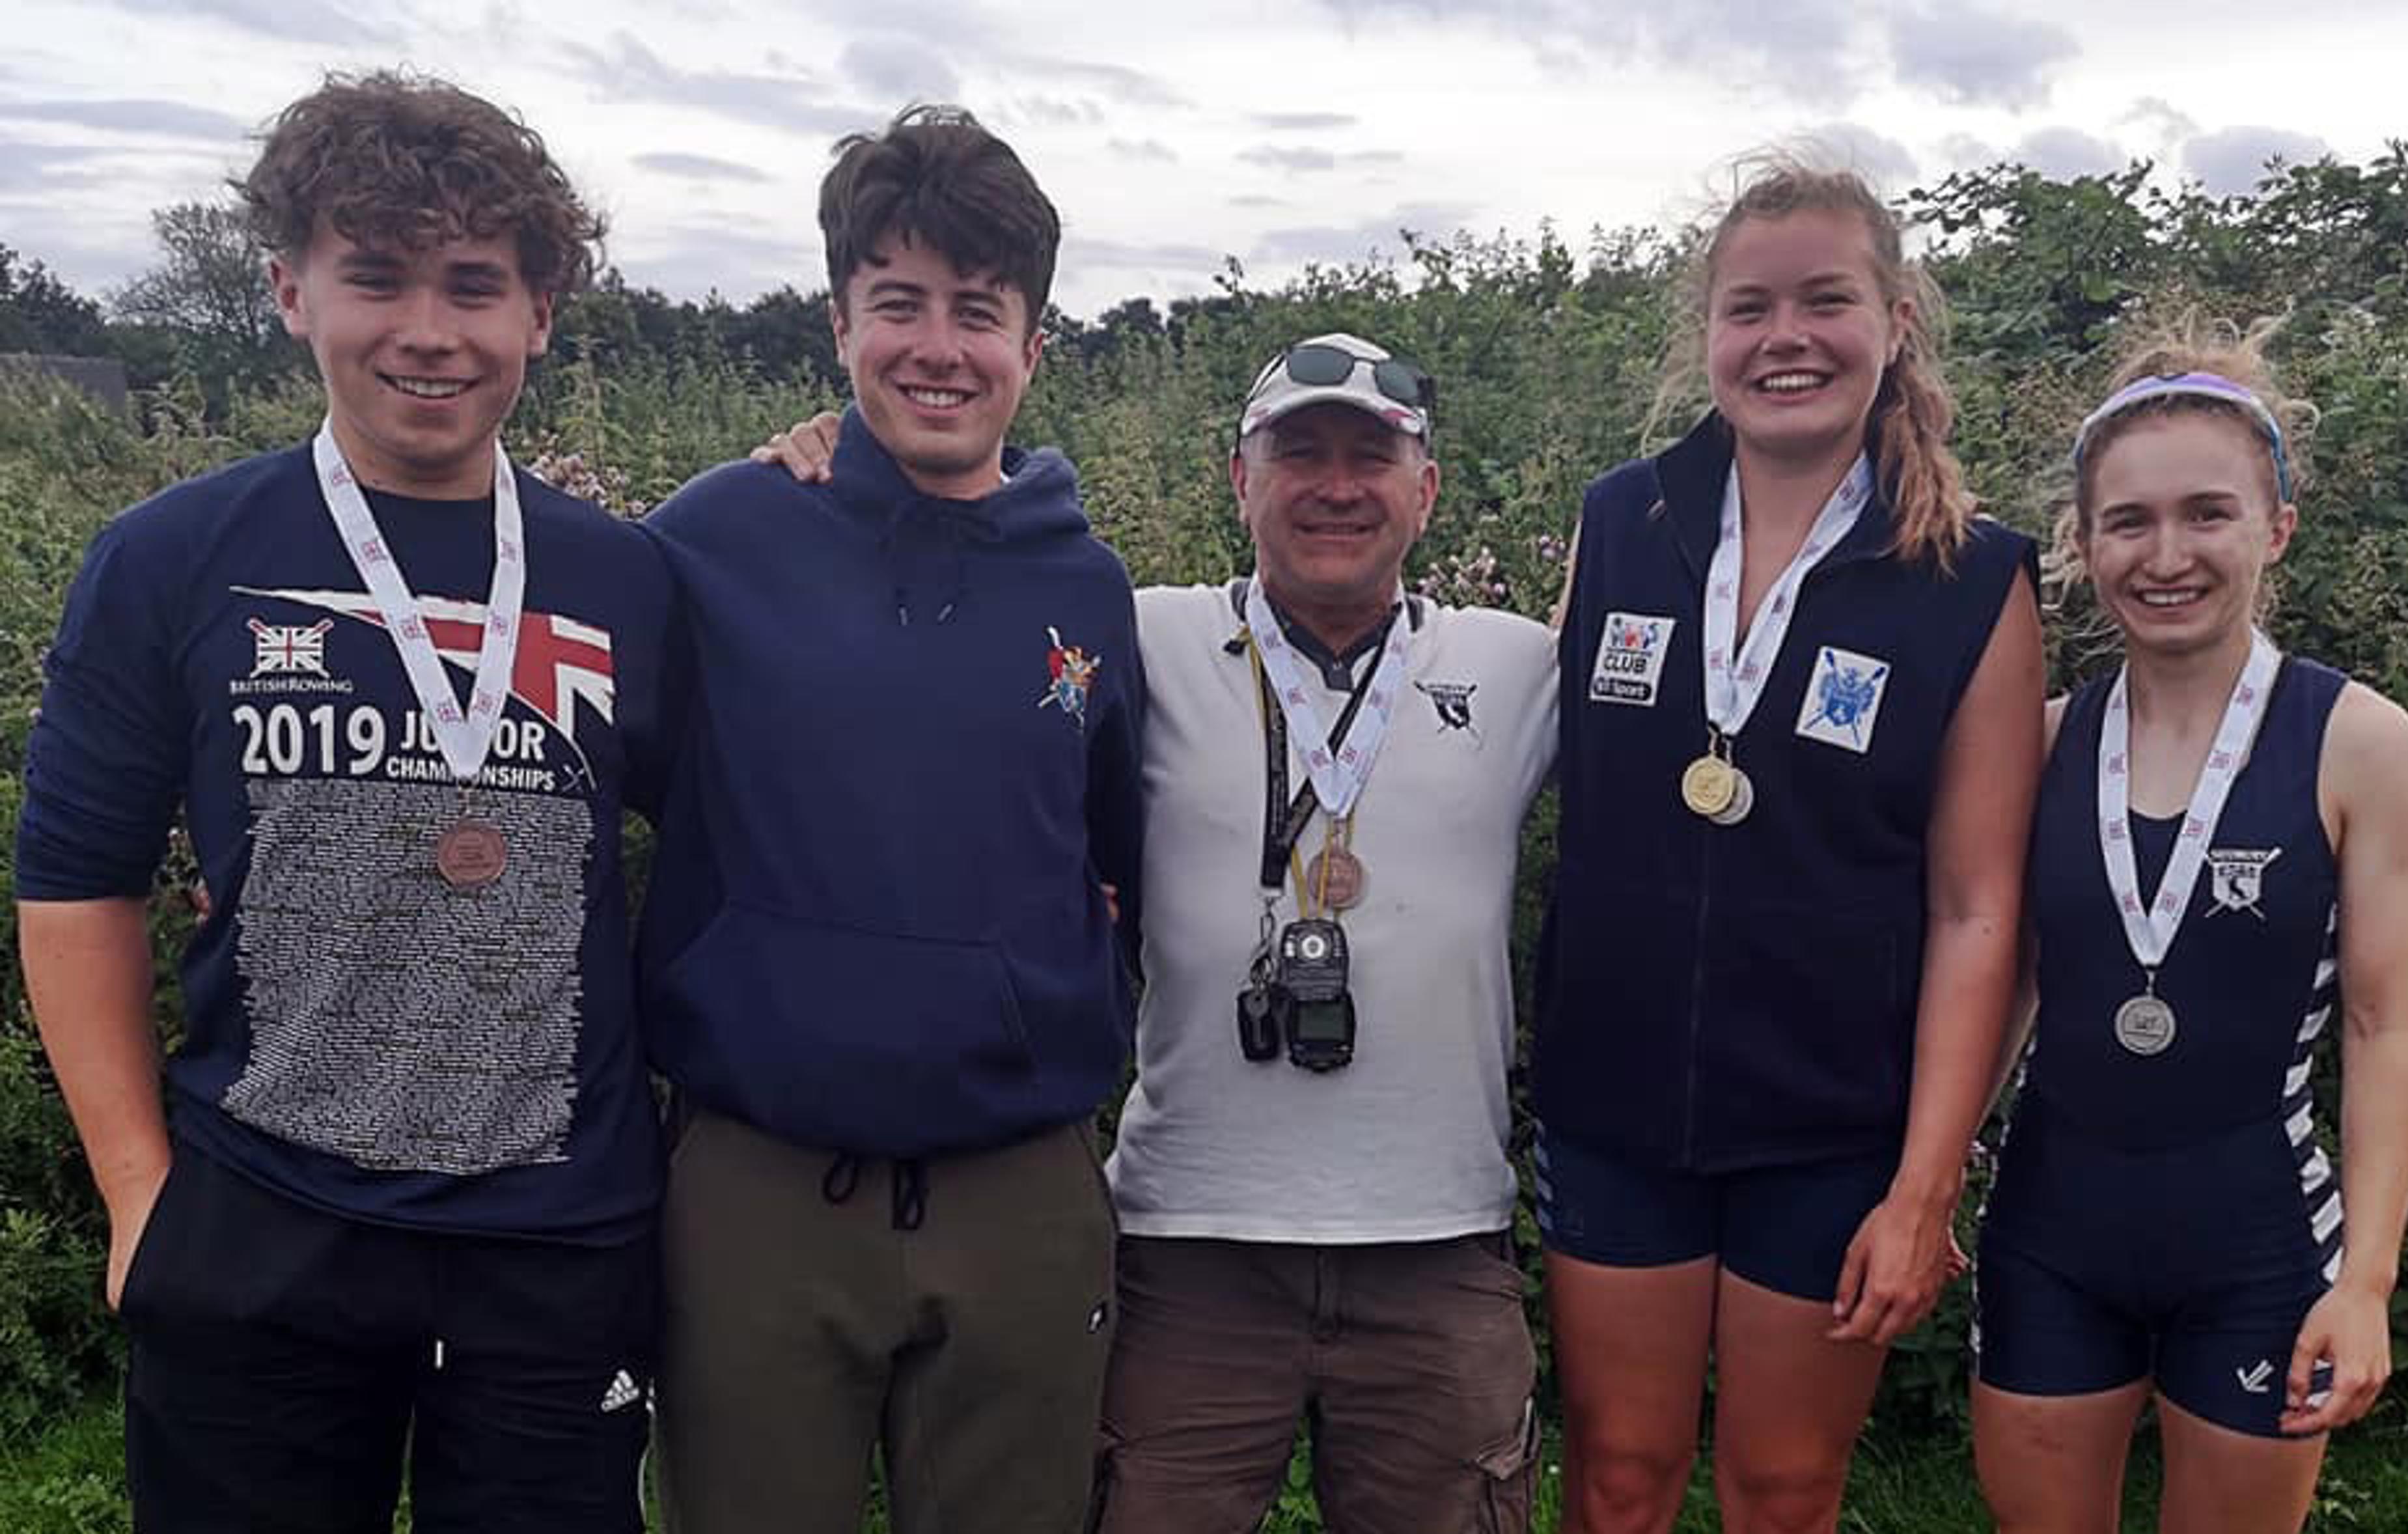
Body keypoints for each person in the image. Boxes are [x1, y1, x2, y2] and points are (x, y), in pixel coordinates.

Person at [756, 331, 1558, 1529]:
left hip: (1438, 1245)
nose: (1336, 487)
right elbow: (948, 604)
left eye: (1371, 458)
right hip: (1187, 1243)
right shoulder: (1141, 634)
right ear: (1238, 480)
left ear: (1428, 489)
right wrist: (842, 469)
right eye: (1299, 455)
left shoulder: (1519, 663)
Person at [15, 72, 670, 1532]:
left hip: (558, 1245)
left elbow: (730, 850)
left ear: (540, 313)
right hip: (262, 1224)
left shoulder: (629, 577)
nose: (428, 329)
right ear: (290, 291)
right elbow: (72, 884)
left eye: (474, 284)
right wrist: (137, 1196)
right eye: (375, 275)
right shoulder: (168, 558)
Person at [638, 104, 1142, 1534]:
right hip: (759, 1184)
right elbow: (588, 777)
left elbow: (1111, 853)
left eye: (979, 310)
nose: (939, 347)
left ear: (1034, 342)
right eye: (898, 303)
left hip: (1021, 1185)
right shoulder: (716, 539)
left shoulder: (1088, 585)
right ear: (840, 323)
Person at [1532, 159, 2043, 1533]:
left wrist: (1927, 1181)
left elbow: (1978, 907)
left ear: (1896, 322)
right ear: (1707, 333)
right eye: (1749, 307)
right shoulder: (1618, 524)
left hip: (1833, 1129)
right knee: (1617, 1476)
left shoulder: (1972, 579)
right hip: (1616, 1102)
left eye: (1827, 300)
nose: (1786, 338)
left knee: (1784, 1487)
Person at [1971, 331, 2408, 1534]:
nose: (2166, 556)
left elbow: (2386, 1025)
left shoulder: (2358, 742)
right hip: (2051, 1232)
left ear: (2275, 528)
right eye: (2128, 522)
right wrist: (1927, 1181)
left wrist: (2368, 1281)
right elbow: (2003, 979)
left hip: (2259, 1244)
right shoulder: (2041, 740)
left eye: (2207, 514)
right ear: (2084, 544)